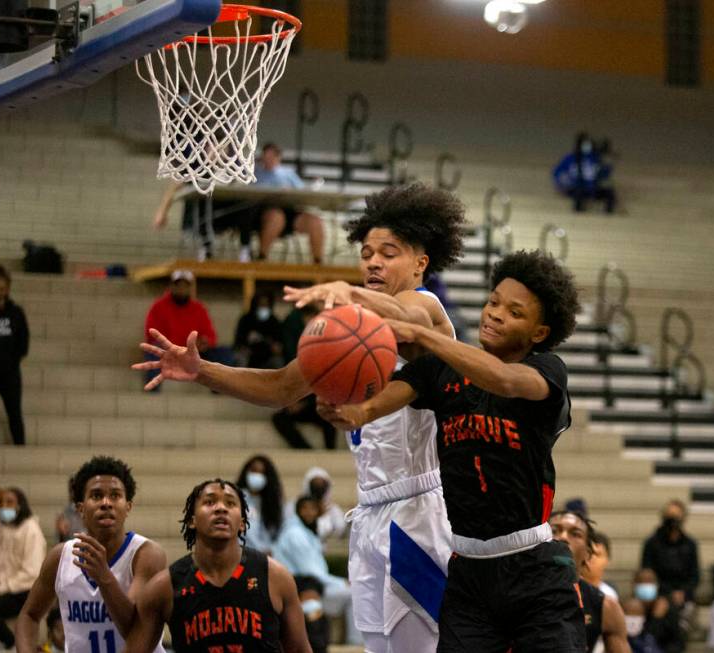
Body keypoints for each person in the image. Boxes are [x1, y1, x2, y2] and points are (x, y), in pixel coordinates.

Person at [133, 183, 467, 653]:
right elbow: (281, 387)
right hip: (370, 513)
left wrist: (348, 291)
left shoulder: (426, 308)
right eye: (366, 252)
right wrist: (202, 369)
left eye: (388, 253)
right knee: (378, 645)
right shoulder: (351, 328)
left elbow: (402, 315)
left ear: (420, 263)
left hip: (419, 512)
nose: (372, 262)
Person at [336, 250, 586, 652]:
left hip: (532, 567)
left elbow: (503, 379)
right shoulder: (440, 372)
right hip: (468, 574)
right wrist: (344, 405)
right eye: (493, 302)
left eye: (515, 312)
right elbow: (369, 406)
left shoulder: (547, 370)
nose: (496, 314)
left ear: (539, 333)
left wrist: (423, 335)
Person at [123, 479, 313, 653]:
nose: (221, 508)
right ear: (192, 520)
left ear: (243, 524)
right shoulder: (164, 586)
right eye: (209, 502)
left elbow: (300, 649)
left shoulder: (275, 577)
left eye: (230, 503)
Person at [15, 456, 167, 653]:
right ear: (81, 508)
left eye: (115, 495)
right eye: (96, 495)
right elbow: (29, 615)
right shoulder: (60, 557)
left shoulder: (146, 555)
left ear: (128, 506)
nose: (106, 503)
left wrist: (104, 578)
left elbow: (137, 631)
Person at [272, 496, 358, 645]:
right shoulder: (295, 534)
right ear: (297, 511)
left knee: (353, 592)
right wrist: (342, 583)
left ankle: (354, 644)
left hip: (311, 584)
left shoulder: (306, 532)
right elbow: (311, 572)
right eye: (304, 508)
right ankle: (355, 644)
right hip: (300, 588)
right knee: (353, 594)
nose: (309, 512)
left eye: (312, 508)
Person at [549, 511, 629, 653]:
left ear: (587, 553)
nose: (563, 537)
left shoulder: (605, 606)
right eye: (554, 531)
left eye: (575, 534)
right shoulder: (514, 590)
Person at [142, 270, 234, 390]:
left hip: (193, 353)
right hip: (169, 352)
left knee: (224, 353)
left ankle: (219, 389)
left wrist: (205, 342)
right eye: (178, 285)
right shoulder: (158, 307)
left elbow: (210, 336)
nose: (181, 289)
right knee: (153, 351)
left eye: (185, 285)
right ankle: (153, 391)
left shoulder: (199, 308)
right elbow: (151, 334)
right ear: (171, 286)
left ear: (190, 288)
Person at [0, 487, 45, 650]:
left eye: (9, 502)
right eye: (1, 503)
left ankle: (10, 643)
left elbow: (32, 571)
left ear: (20, 505)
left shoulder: (30, 529)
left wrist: (2, 588)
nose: (4, 506)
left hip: (23, 590)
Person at [272, 306, 336, 449]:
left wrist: (305, 403)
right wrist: (291, 401)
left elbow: (327, 386)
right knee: (279, 418)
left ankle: (331, 450)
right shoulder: (294, 348)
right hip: (296, 399)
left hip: (315, 402)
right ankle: (304, 449)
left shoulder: (326, 348)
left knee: (329, 414)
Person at [153, 181, 259, 262]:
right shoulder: (195, 163)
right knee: (204, 200)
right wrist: (162, 211)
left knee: (247, 204)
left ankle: (245, 249)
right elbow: (175, 184)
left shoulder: (230, 162)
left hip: (222, 213)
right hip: (198, 215)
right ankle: (205, 247)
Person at [254, 143, 325, 263]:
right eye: (266, 156)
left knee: (315, 221)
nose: (269, 160)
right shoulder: (256, 174)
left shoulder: (288, 174)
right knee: (276, 217)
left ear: (278, 157)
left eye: (272, 156)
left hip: (290, 211)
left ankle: (318, 262)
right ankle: (262, 257)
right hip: (264, 213)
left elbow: (302, 194)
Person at [0, 265, 29, 445]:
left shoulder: (15, 313)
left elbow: (23, 341)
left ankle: (21, 448)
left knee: (14, 412)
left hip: (9, 371)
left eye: (3, 289)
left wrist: (13, 360)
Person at [640, 500, 700, 610]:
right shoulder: (652, 543)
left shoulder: (690, 544)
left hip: (684, 595)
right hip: (658, 593)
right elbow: (646, 573)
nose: (672, 521)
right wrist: (667, 593)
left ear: (683, 518)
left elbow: (695, 576)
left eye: (676, 516)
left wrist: (683, 592)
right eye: (669, 516)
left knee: (688, 610)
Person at [553, 132, 616, 213]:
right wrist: (567, 184)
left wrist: (606, 165)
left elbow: (605, 173)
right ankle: (578, 211)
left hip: (592, 188)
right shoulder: (570, 158)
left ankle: (609, 212)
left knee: (610, 193)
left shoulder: (595, 158)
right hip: (576, 188)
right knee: (579, 193)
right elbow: (557, 174)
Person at [236, 454, 285, 554]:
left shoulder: (272, 503)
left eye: (261, 473)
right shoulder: (237, 498)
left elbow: (276, 533)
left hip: (266, 557)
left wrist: (271, 549)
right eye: (254, 471)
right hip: (242, 553)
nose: (257, 476)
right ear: (246, 472)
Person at [632, 568, 685, 653]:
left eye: (649, 581)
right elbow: (639, 641)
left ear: (656, 585)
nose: (646, 585)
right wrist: (656, 618)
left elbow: (677, 643)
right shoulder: (629, 608)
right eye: (642, 581)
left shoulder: (668, 609)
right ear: (634, 584)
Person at [234, 290, 285, 369]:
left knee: (278, 362)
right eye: (261, 305)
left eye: (266, 305)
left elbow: (279, 345)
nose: (263, 307)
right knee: (240, 359)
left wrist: (274, 346)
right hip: (249, 356)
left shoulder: (274, 322)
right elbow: (238, 342)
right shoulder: (246, 320)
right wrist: (244, 348)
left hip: (268, 357)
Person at [295, 575, 330, 653]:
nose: (311, 602)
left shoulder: (321, 617)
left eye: (314, 597)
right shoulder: (292, 619)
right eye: (307, 597)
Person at [583, 530, 619, 601]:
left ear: (607, 560)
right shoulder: (570, 590)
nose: (592, 558)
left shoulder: (610, 595)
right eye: (589, 553)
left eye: (597, 554)